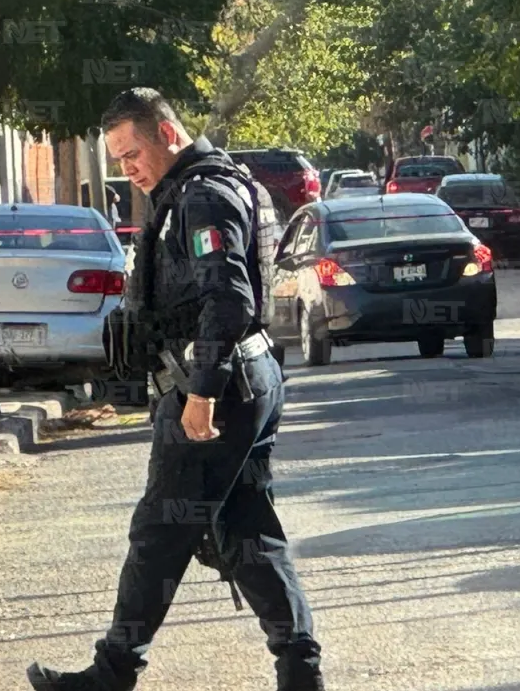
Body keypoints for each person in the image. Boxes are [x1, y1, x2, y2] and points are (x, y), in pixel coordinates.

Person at [27, 88, 325, 691]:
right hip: (247, 375)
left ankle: (112, 674)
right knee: (245, 529)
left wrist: (202, 392)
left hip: (218, 383)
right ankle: (301, 672)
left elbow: (229, 299)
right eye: (117, 158)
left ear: (167, 134)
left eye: (132, 153)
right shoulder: (204, 186)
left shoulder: (204, 196)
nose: (125, 169)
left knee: (160, 532)